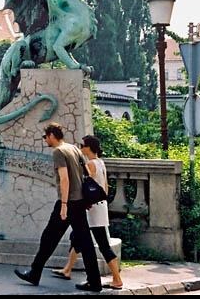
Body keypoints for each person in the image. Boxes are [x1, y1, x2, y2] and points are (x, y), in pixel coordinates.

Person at [14, 122, 102, 292]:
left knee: (49, 237)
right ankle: (94, 281)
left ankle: (34, 273)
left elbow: (64, 179)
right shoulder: (74, 149)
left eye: (45, 137)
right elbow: (87, 175)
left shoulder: (59, 152)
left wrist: (63, 205)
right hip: (78, 202)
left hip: (68, 203)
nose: (45, 140)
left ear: (52, 135)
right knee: (84, 243)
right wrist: (85, 200)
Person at [51, 135, 123, 290]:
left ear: (89, 147)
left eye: (82, 145)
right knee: (77, 238)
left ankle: (117, 279)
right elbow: (105, 188)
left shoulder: (90, 164)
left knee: (103, 244)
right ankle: (67, 269)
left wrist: (81, 203)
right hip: (100, 206)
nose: (80, 148)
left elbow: (84, 187)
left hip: (92, 208)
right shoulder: (101, 163)